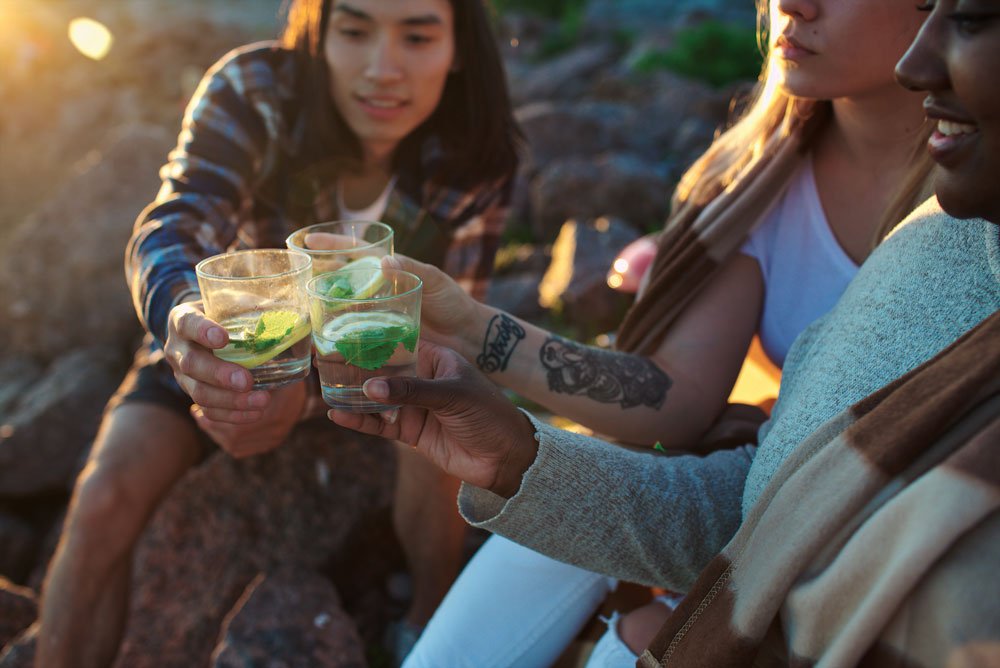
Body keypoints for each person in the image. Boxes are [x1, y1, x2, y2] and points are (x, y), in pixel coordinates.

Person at [329, 2, 1000, 655]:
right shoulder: (752, 179)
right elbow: (675, 400)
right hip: (759, 487)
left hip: (849, 539)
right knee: (547, 531)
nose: (792, 5)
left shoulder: (967, 228)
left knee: (628, 635)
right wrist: (469, 327)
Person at [34, 1, 521, 667]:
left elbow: (448, 329)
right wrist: (184, 322)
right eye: (354, 31)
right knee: (107, 492)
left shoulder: (473, 154)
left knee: (442, 424)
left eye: (416, 35)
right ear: (318, 30)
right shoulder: (253, 91)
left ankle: (428, 625)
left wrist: (311, 393)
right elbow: (174, 222)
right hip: (228, 340)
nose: (383, 69)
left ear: (459, 45)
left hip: (378, 351)